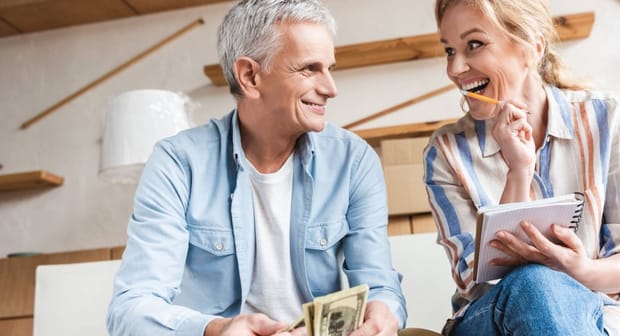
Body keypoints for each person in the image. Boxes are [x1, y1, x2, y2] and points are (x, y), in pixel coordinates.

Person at [106, 1, 406, 335]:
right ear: (250, 76)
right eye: (309, 69)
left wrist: (383, 312)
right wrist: (217, 330)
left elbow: (380, 286)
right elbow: (130, 311)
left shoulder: (354, 161)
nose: (330, 88)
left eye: (329, 68)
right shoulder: (178, 163)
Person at [423, 0, 620, 335]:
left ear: (532, 45)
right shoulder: (445, 151)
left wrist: (580, 270)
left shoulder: (609, 119)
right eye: (450, 50)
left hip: (597, 308)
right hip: (489, 317)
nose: (455, 68)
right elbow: (480, 275)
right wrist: (519, 169)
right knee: (534, 282)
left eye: (474, 45)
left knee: (549, 288)